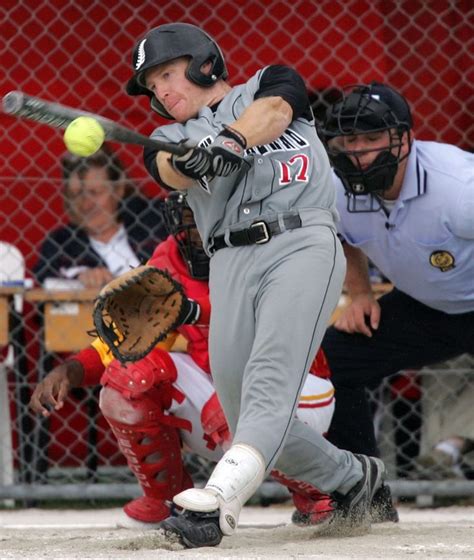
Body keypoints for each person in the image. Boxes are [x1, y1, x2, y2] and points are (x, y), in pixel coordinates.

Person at [124, 22, 386, 547]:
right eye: (154, 87)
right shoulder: (170, 137)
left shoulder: (269, 82)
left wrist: (229, 141)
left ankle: (215, 505)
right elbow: (167, 169)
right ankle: (356, 479)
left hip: (300, 241)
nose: (163, 91)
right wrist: (190, 159)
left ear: (203, 64)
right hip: (229, 263)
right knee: (249, 420)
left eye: (168, 75)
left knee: (269, 378)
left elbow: (277, 111)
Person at [29, 192, 338, 528]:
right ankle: (166, 499)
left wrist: (191, 310)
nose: (196, 229)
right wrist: (69, 371)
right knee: (128, 378)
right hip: (220, 400)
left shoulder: (270, 246)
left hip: (298, 388)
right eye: (190, 218)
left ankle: (324, 489)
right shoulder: (167, 261)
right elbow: (123, 341)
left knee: (232, 406)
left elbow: (267, 317)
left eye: (205, 216)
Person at [316, 82, 474, 481]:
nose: (360, 151)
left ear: (405, 140)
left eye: (373, 138)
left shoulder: (458, 188)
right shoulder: (335, 189)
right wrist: (359, 294)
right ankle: (362, 495)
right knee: (333, 362)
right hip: (427, 307)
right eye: (349, 139)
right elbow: (343, 236)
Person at [34, 144, 167, 288]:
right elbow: (44, 277)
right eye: (76, 194)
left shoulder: (155, 220)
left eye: (95, 192)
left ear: (118, 189)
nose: (86, 204)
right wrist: (79, 275)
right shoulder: (61, 243)